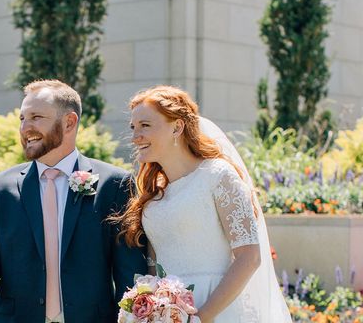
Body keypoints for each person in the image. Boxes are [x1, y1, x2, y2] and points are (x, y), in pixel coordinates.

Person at [0, 80, 147, 322]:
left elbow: (129, 271)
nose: (25, 128)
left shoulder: (114, 184)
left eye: (36, 117)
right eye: (22, 119)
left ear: (69, 122)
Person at [116, 85, 291, 322]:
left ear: (177, 127)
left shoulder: (218, 175)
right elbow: (153, 267)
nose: (136, 137)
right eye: (133, 127)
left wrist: (201, 317)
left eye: (145, 126)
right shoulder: (154, 192)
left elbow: (250, 257)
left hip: (216, 310)